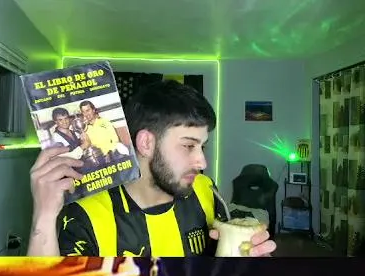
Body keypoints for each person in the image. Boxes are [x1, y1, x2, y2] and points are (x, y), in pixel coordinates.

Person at [27, 80, 277, 258]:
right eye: (188, 146)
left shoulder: (205, 189)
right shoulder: (85, 214)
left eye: (203, 147)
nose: (202, 162)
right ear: (146, 143)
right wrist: (44, 216)